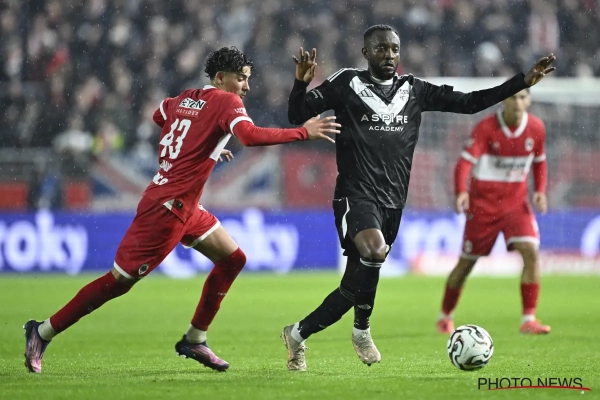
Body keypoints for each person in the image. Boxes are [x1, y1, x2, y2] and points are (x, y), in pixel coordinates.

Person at [23, 46, 341, 374]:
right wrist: (303, 132)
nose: (246, 87)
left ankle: (195, 339)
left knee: (233, 259)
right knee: (117, 282)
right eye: (241, 79)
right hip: (166, 209)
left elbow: (160, 115)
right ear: (221, 78)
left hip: (185, 205)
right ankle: (42, 331)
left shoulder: (184, 98)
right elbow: (249, 137)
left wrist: (204, 145)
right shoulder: (226, 101)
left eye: (248, 79)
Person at [281, 24, 556, 371]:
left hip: (393, 202)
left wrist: (521, 82)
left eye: (394, 49)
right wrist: (300, 84)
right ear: (366, 53)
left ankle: (296, 334)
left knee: (352, 289)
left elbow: (470, 103)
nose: (389, 55)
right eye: (381, 49)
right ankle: (362, 330)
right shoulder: (347, 83)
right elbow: (297, 114)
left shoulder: (414, 90)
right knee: (374, 250)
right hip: (356, 194)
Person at [436, 88, 550, 335]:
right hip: (483, 206)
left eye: (522, 97)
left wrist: (540, 190)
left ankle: (528, 319)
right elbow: (464, 162)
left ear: (529, 100)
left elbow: (539, 161)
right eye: (512, 97)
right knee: (466, 263)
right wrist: (461, 191)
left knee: (530, 252)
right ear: (504, 100)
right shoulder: (486, 127)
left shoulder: (536, 128)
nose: (517, 102)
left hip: (516, 205)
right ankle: (445, 315)